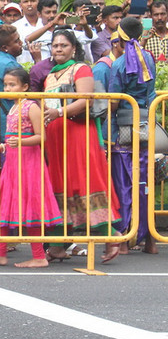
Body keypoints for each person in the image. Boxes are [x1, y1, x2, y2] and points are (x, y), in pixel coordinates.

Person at [42, 29, 121, 263]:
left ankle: (111, 236)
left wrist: (58, 112)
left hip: (77, 134)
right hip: (56, 137)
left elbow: (85, 99)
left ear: (73, 48)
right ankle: (58, 245)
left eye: (63, 45)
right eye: (55, 45)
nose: (58, 49)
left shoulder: (81, 68)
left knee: (84, 183)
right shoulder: (50, 75)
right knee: (61, 186)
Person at [0, 68, 62, 267]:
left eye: (12, 84)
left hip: (29, 165)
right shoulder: (13, 108)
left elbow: (41, 137)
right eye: (6, 84)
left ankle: (39, 256)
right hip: (13, 165)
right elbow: (12, 139)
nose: (7, 88)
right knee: (4, 205)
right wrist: (0, 147)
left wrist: (20, 143)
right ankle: (0, 252)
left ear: (24, 87)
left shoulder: (31, 106)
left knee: (32, 209)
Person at [107, 18, 156, 254]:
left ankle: (125, 239)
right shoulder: (149, 57)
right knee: (144, 183)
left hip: (123, 130)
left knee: (123, 185)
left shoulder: (118, 64)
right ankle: (150, 240)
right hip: (146, 125)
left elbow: (114, 102)